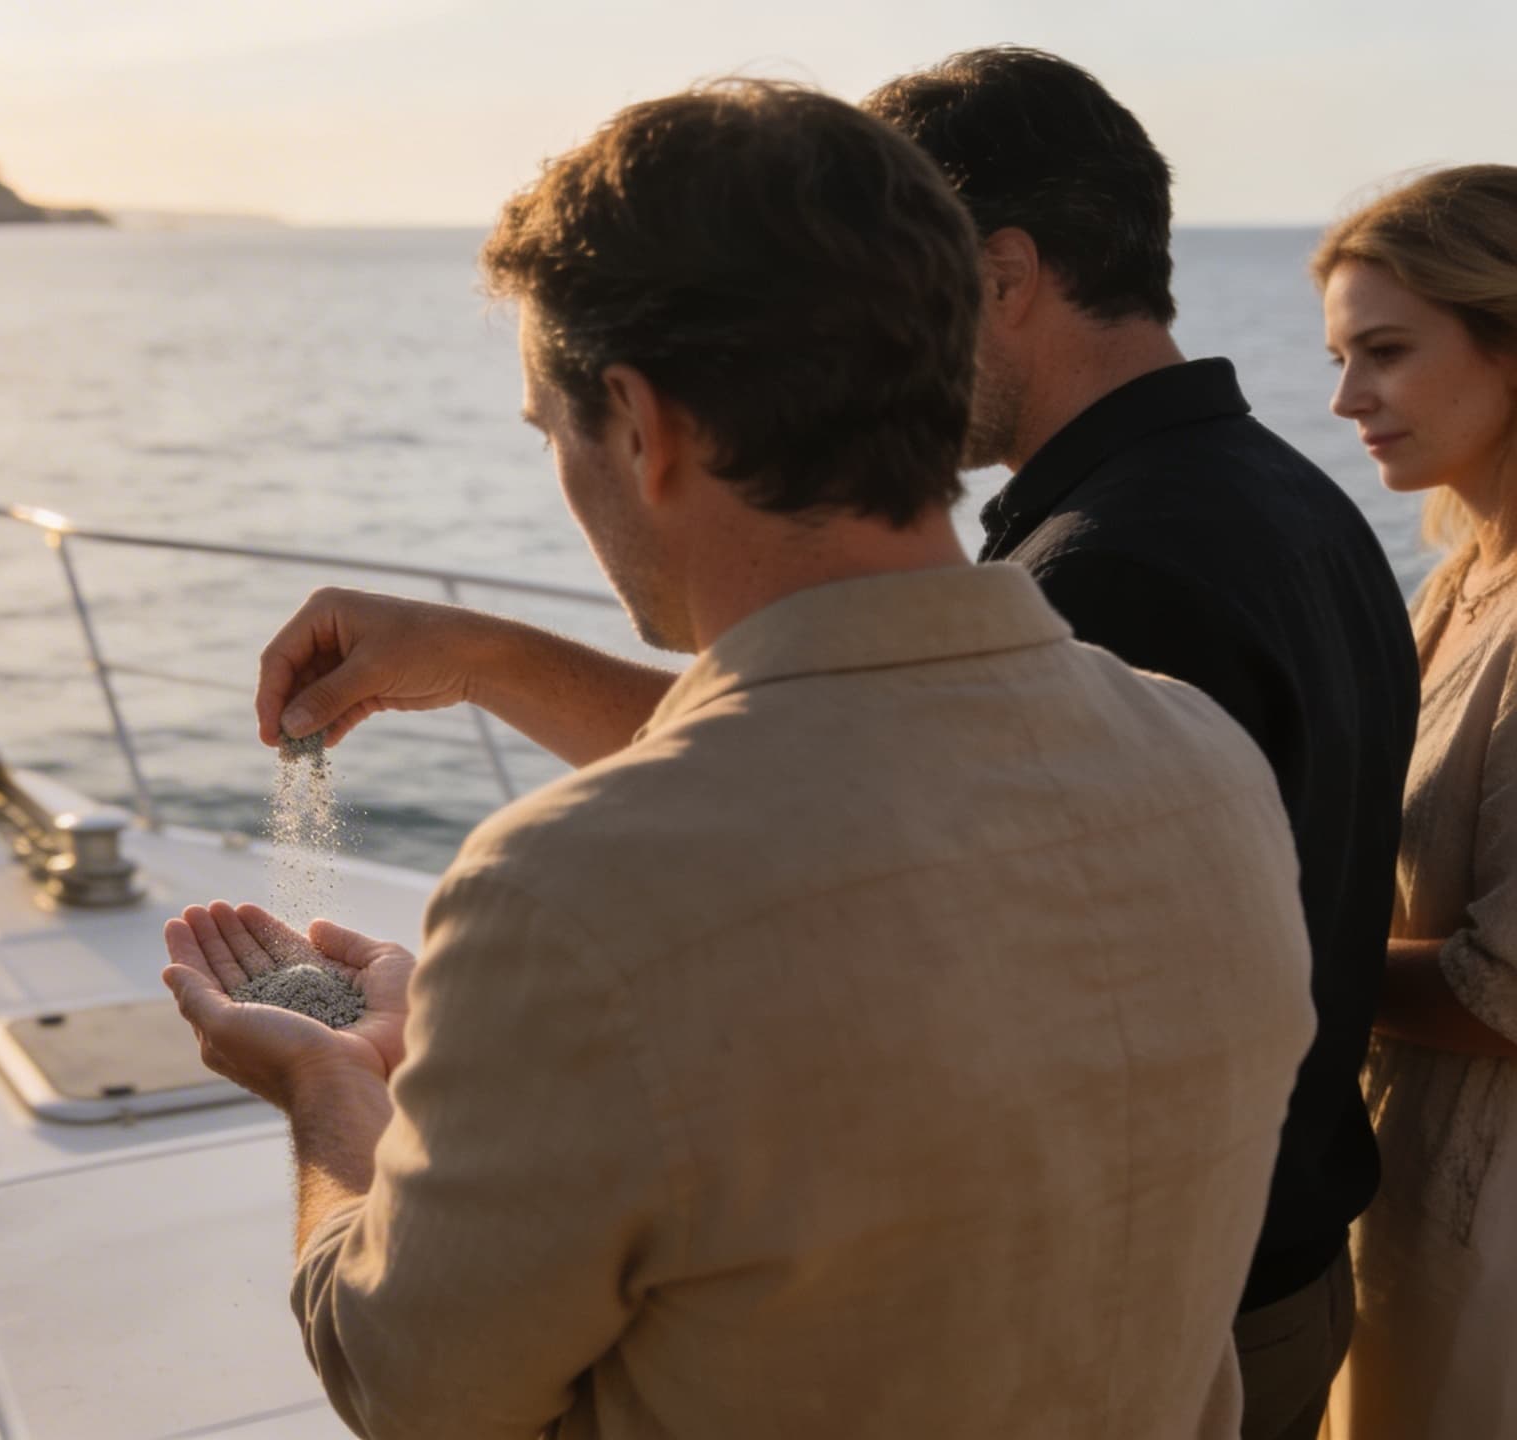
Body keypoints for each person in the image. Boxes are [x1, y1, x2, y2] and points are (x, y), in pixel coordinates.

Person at [256, 49, 1419, 1440]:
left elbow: (410, 1386)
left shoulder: (564, 902)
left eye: (550, 431)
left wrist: (331, 1096)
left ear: (639, 422)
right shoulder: (1199, 749)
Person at [1315, 164, 1517, 1440]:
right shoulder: (1454, 585)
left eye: (1383, 352)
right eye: (1340, 357)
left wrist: (1279, 965)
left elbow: (1509, 990)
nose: (1344, 400)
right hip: (1402, 1188)